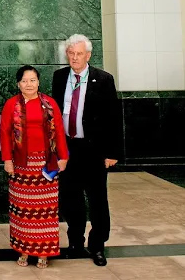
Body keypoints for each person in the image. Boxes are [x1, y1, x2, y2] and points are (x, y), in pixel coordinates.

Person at [52, 34, 121, 267]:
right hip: (68, 149)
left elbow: (113, 117)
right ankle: (75, 243)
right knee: (71, 200)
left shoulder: (103, 79)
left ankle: (98, 245)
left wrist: (112, 153)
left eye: (79, 53)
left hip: (94, 150)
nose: (74, 57)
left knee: (98, 200)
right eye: (71, 53)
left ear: (88, 55)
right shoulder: (59, 77)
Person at [0, 65, 69, 269]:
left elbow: (59, 132)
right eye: (24, 80)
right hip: (21, 164)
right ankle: (24, 249)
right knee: (23, 211)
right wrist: (7, 160)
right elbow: (4, 133)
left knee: (45, 212)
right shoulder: (11, 105)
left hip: (46, 163)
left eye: (32, 80)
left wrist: (63, 157)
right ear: (18, 84)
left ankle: (43, 252)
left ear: (38, 82)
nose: (28, 84)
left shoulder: (49, 104)